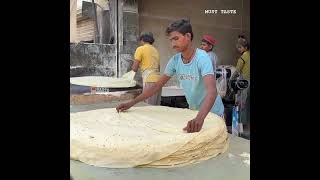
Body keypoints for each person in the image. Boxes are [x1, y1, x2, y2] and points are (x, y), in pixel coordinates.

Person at [116, 19, 224, 133]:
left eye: (176, 39)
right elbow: (157, 86)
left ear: (188, 36)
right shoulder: (175, 61)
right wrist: (131, 103)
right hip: (195, 113)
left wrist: (200, 118)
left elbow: (212, 91)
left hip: (213, 113)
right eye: (171, 40)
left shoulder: (202, 58)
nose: (173, 44)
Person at [131, 32, 161, 105]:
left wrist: (128, 76)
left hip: (149, 80)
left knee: (148, 107)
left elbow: (134, 68)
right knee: (156, 107)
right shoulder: (155, 50)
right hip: (159, 80)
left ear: (142, 40)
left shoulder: (140, 49)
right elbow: (159, 68)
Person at [235, 35, 250, 129]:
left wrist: (232, 79)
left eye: (240, 47)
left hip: (244, 82)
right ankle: (246, 123)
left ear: (245, 47)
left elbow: (237, 70)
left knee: (242, 102)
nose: (239, 49)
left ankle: (241, 124)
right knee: (247, 102)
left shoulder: (243, 57)